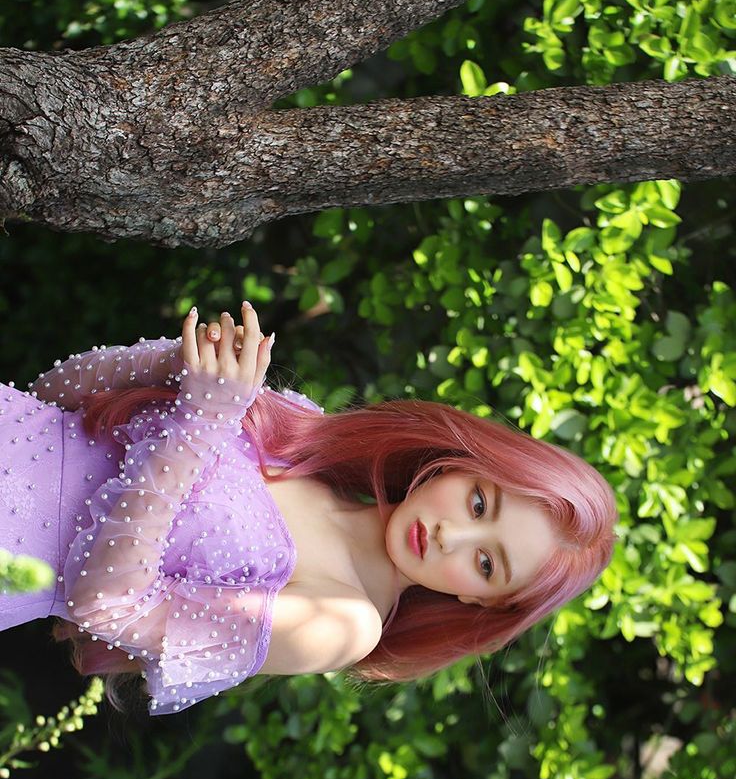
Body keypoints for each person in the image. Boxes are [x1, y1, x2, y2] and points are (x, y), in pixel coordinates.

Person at [0, 302, 617, 715]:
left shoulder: (344, 623)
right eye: (480, 502)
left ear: (481, 603)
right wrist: (180, 363)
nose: (451, 534)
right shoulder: (309, 434)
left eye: (486, 564)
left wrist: (200, 420)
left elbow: (105, 607)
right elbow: (56, 398)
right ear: (465, 464)